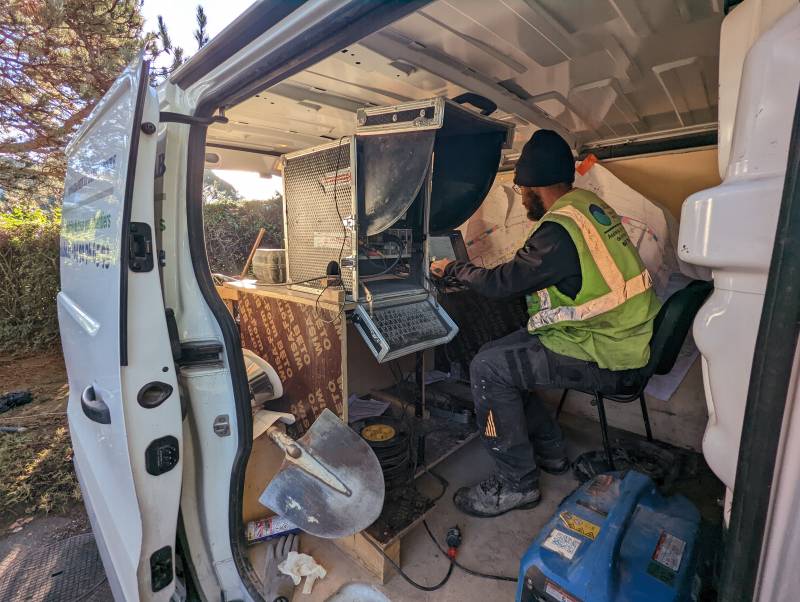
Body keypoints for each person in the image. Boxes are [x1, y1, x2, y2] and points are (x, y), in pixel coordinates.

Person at [430, 130, 661, 518]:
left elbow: (505, 283)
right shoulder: (588, 207)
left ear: (537, 186)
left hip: (606, 351)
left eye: (522, 190)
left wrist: (453, 268)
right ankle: (550, 449)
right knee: (502, 354)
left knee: (488, 368)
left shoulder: (558, 230)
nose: (522, 199)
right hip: (624, 335)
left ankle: (515, 483)